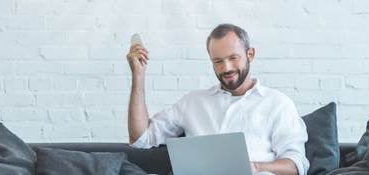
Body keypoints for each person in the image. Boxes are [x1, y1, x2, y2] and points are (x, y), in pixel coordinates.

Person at [125, 23, 309, 175]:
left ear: (250, 54)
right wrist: (138, 76)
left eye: (233, 58)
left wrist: (255, 167)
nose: (226, 68)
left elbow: (296, 164)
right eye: (218, 61)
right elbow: (140, 137)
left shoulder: (277, 103)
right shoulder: (193, 102)